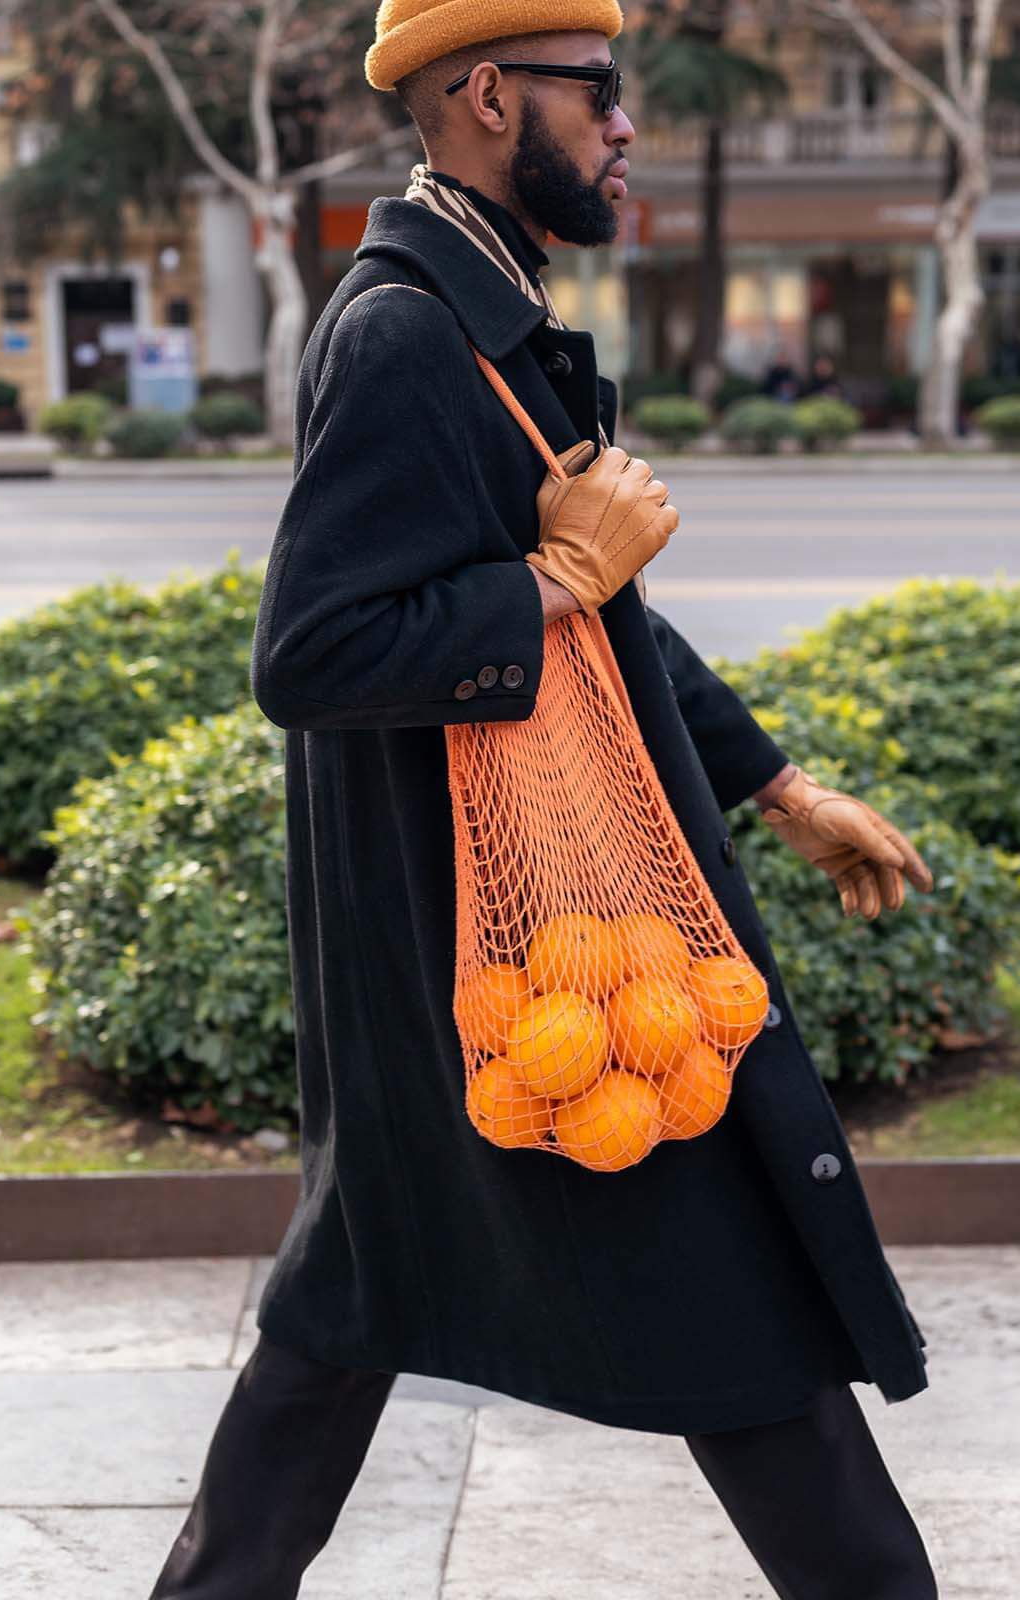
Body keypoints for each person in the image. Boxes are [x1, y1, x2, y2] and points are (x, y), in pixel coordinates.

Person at [149, 2, 941, 1596]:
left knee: (345, 1310)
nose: (627, 126)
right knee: (730, 1267)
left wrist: (778, 785)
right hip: (506, 946)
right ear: (491, 92)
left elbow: (611, 632)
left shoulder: (487, 305)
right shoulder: (401, 331)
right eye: (603, 94)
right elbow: (312, 653)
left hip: (494, 936)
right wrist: (556, 574)